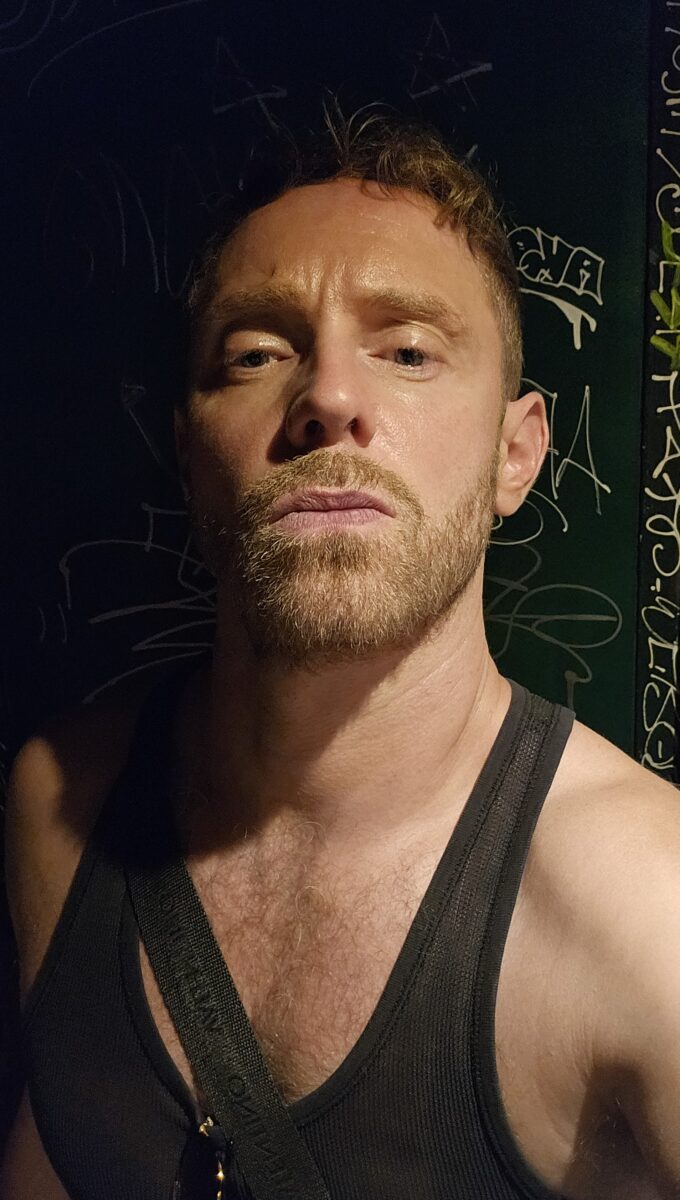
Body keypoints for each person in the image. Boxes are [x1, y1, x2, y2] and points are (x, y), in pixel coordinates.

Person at [2, 109, 680, 1200]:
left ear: (514, 456)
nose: (325, 397)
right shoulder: (56, 807)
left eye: (407, 352)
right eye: (257, 354)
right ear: (187, 451)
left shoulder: (651, 910)